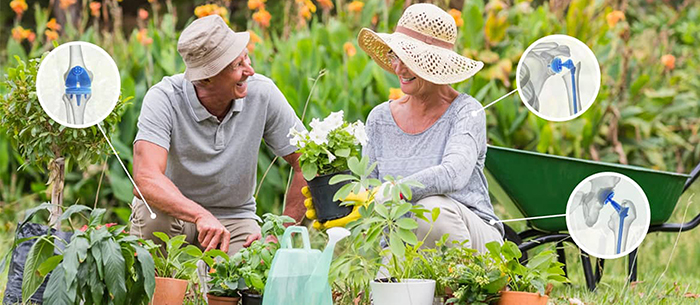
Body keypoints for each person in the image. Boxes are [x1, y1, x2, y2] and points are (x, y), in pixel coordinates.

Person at [129, 15, 307, 256]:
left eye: (246, 58)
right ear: (206, 78)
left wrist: (280, 232)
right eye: (237, 65)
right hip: (173, 214)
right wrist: (200, 214)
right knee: (151, 218)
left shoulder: (262, 93)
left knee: (254, 271)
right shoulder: (164, 98)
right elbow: (146, 178)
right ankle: (157, 290)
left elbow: (305, 160)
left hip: (235, 217)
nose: (250, 71)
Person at [356, 3, 503, 253]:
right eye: (395, 56)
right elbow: (369, 193)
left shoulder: (467, 112)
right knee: (386, 286)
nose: (399, 68)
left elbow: (453, 174)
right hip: (404, 242)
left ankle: (463, 289)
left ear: (434, 62)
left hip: (474, 238)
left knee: (431, 209)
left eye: (409, 59)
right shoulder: (379, 118)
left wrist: (395, 191)